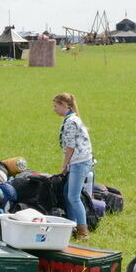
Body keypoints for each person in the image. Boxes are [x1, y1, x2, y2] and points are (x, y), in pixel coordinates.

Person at [52, 92, 94, 240]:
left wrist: (64, 165)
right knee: (67, 193)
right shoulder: (73, 118)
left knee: (73, 197)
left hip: (79, 162)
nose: (54, 109)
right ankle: (72, 225)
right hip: (82, 160)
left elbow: (70, 147)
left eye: (56, 106)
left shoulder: (70, 122)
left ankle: (83, 232)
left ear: (64, 105)